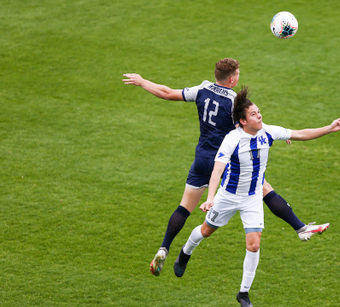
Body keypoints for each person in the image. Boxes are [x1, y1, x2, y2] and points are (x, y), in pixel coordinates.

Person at [122, 59, 329, 277]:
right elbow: (250, 121)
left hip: (202, 158)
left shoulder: (202, 89)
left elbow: (166, 92)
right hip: (226, 159)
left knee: (184, 207)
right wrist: (280, 134)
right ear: (232, 79)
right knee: (262, 187)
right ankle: (300, 227)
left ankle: (164, 247)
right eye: (238, 74)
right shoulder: (235, 101)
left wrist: (142, 81)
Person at [174, 86, 340, 307]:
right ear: (243, 121)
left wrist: (330, 128)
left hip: (253, 198)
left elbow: (301, 133)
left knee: (254, 245)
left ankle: (243, 292)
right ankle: (185, 252)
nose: (260, 116)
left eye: (259, 112)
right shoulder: (232, 140)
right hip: (228, 197)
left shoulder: (268, 132)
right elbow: (216, 172)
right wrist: (211, 198)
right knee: (206, 231)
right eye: (254, 114)